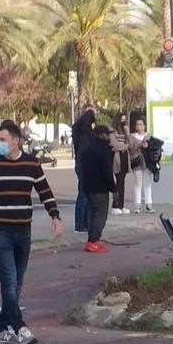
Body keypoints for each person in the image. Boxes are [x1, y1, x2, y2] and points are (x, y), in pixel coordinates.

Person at [0, 121, 62, 344]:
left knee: (18, 282)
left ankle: (2, 324)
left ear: (16, 140)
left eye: (3, 139)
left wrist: (55, 216)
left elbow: (44, 190)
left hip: (23, 228)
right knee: (8, 280)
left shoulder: (31, 163)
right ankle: (20, 327)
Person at [80, 125, 116, 253]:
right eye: (108, 134)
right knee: (101, 213)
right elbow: (107, 171)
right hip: (100, 188)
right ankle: (94, 240)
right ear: (102, 135)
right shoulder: (104, 149)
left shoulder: (86, 149)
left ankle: (91, 240)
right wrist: (113, 188)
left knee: (91, 212)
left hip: (88, 186)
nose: (109, 137)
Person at [71, 107, 96, 233]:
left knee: (85, 194)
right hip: (84, 163)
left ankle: (84, 222)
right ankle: (80, 223)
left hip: (82, 163)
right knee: (83, 194)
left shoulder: (80, 130)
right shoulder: (84, 131)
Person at [129, 118, 154, 214]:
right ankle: (137, 205)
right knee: (137, 183)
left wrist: (148, 146)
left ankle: (149, 204)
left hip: (147, 162)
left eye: (140, 124)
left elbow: (153, 148)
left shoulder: (148, 136)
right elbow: (130, 149)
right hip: (137, 162)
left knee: (147, 183)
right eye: (137, 124)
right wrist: (139, 145)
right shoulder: (132, 136)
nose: (138, 126)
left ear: (144, 126)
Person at [110, 114, 130, 215]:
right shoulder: (112, 130)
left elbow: (130, 143)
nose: (123, 122)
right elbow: (114, 145)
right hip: (116, 157)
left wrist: (127, 132)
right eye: (122, 120)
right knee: (117, 182)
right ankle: (115, 205)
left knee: (121, 182)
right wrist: (124, 146)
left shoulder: (124, 130)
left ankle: (121, 205)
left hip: (124, 157)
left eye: (124, 120)